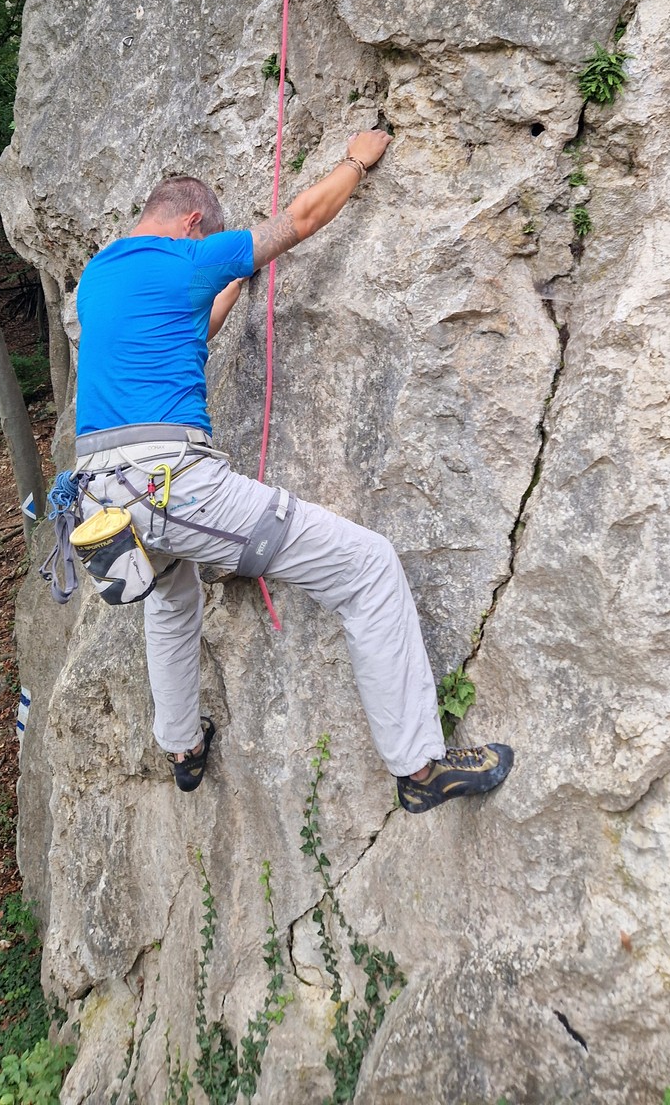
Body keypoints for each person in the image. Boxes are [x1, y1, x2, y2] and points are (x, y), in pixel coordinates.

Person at [72, 130, 513, 812]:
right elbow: (301, 219)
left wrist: (232, 282)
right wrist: (357, 161)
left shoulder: (101, 276)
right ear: (194, 223)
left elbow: (192, 331)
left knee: (171, 595)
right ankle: (421, 767)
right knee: (367, 567)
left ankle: (182, 746)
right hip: (171, 486)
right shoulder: (185, 257)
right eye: (206, 243)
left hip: (103, 496)